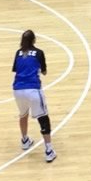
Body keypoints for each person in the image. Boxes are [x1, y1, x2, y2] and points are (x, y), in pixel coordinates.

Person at [13, 29, 56, 162]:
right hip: (33, 89)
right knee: (43, 118)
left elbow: (16, 69)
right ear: (34, 40)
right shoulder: (39, 53)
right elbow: (44, 72)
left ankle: (25, 140)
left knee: (23, 114)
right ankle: (49, 150)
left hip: (18, 90)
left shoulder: (18, 53)